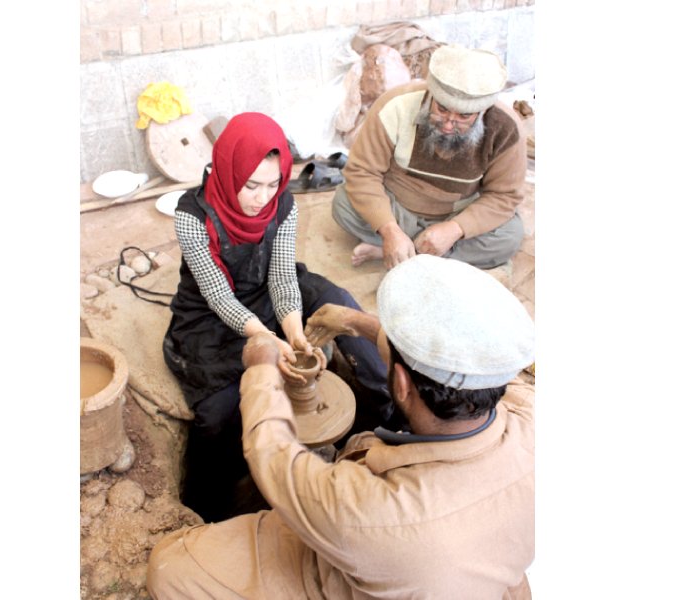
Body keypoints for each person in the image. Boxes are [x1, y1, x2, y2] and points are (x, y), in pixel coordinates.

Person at [148, 254, 536, 599]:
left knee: (170, 568)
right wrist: (355, 321)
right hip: (468, 562)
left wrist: (261, 367)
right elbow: (447, 364)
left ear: (400, 383)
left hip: (391, 561)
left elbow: (274, 459)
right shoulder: (529, 412)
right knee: (366, 443)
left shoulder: (373, 514)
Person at [162, 112, 396, 523]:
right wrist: (268, 341)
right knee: (219, 408)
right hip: (212, 312)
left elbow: (283, 274)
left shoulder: (283, 205)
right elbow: (217, 294)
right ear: (227, 169)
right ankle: (205, 505)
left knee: (337, 301)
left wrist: (295, 334)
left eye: (273, 184)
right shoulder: (192, 216)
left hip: (269, 289)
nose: (262, 197)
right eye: (251, 185)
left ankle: (385, 418)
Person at [332, 44, 528, 270]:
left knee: (509, 236)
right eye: (442, 109)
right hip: (398, 209)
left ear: (482, 111)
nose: (448, 124)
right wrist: (389, 230)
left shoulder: (506, 128)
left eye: (463, 116)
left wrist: (455, 229)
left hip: (457, 214)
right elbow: (362, 172)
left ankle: (400, 252)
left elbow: (503, 197)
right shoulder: (395, 104)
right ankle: (408, 248)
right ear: (431, 95)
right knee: (344, 204)